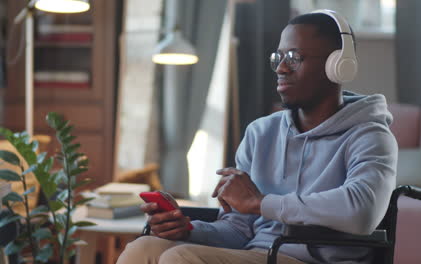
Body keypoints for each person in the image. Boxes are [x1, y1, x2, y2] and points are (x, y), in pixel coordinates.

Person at [117, 9, 397, 264]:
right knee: (143, 249)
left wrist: (260, 202)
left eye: (294, 58)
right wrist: (188, 230)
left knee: (180, 259)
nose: (281, 68)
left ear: (338, 65)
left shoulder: (370, 135)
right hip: (256, 254)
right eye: (278, 57)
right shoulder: (260, 133)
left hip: (317, 261)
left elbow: (362, 212)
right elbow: (239, 229)